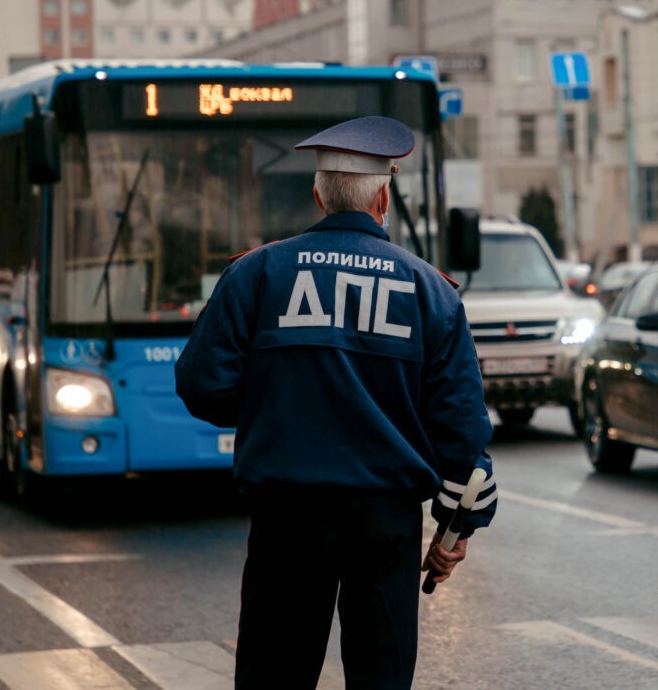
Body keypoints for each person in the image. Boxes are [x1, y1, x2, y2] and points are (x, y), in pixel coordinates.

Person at [175, 115, 497, 689]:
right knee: (381, 675)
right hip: (385, 523)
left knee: (274, 675)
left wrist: (271, 408)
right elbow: (463, 430)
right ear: (384, 197)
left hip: (287, 519)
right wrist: (456, 528)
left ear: (319, 193)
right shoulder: (431, 291)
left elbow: (202, 384)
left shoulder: (257, 273)